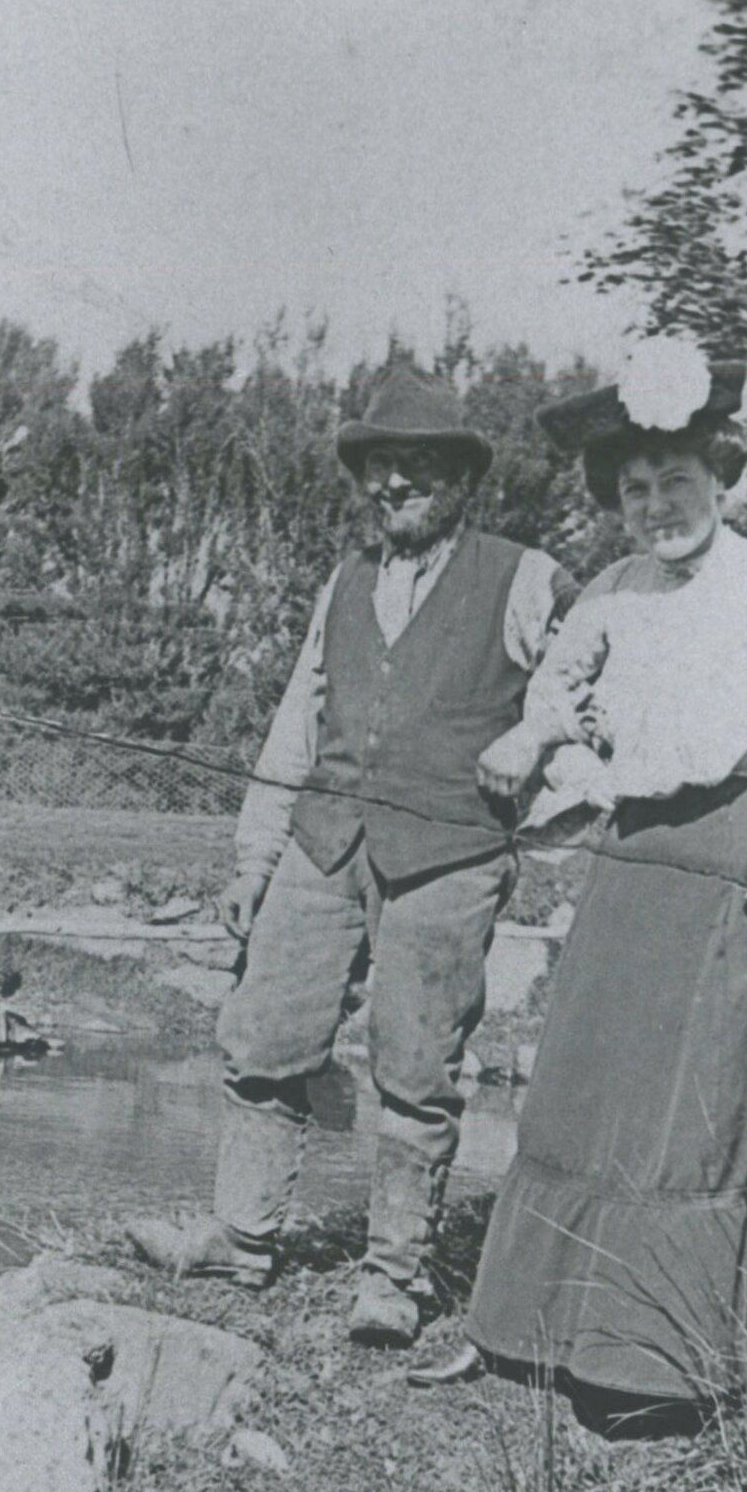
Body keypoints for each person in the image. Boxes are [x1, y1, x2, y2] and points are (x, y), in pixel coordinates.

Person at [435, 337, 747, 1408]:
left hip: (738, 864)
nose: (656, 503)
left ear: (718, 476)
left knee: (702, 1108)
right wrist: (533, 741)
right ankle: (541, 1334)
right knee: (589, 1087)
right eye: (634, 488)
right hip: (633, 864)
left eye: (675, 479)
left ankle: (671, 1364)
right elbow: (558, 683)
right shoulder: (614, 589)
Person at [128, 365, 572, 1345]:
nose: (394, 485)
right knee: (260, 1037)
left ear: (458, 477)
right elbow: (296, 723)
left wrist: (535, 773)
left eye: (417, 467)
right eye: (377, 468)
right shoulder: (345, 583)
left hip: (449, 856)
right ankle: (242, 1237)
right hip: (323, 842)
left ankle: (393, 1279)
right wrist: (253, 859)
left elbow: (580, 695)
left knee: (416, 1066)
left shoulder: (524, 576)